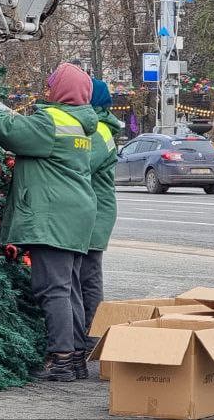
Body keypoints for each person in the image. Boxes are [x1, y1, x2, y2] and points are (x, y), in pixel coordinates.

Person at [0, 62, 98, 382]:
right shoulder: (79, 123)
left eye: (52, 83)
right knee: (70, 290)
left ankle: (62, 361)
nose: (47, 88)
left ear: (62, 90)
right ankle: (77, 357)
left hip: (53, 216)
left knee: (52, 289)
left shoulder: (52, 121)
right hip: (76, 214)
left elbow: (13, 133)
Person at [78, 79, 124, 369]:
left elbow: (80, 162)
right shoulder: (101, 127)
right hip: (96, 211)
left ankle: (93, 337)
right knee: (88, 275)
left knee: (88, 277)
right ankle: (92, 334)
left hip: (95, 213)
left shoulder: (99, 131)